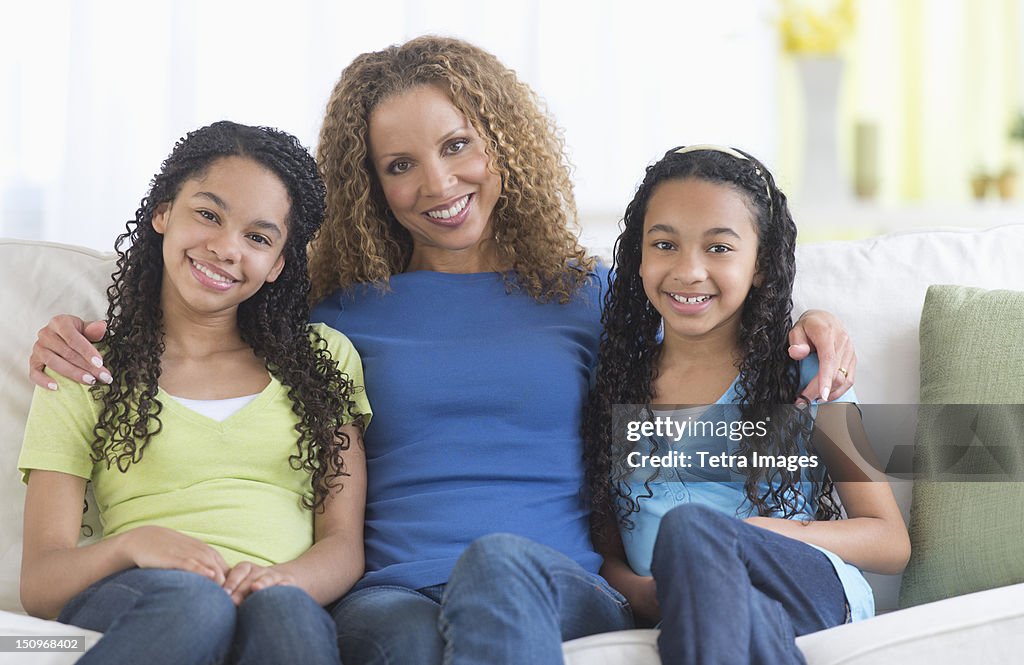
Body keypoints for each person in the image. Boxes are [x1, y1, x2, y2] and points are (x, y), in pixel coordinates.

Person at [28, 38, 856, 664]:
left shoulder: (590, 293)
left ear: (502, 142)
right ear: (370, 184)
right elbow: (206, 317)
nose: (436, 183)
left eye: (457, 145)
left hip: (554, 585)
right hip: (386, 591)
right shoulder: (331, 314)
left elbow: (706, 312)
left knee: (492, 564)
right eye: (400, 164)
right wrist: (77, 329)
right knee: (402, 635)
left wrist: (811, 318)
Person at [19, 121, 371, 665]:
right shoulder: (85, 365)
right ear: (163, 213)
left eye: (257, 237)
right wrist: (133, 545)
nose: (226, 248)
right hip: (143, 596)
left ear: (277, 264)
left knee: (287, 617)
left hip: (281, 597)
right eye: (208, 214)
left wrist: (282, 582)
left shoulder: (323, 360)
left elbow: (343, 543)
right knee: (198, 604)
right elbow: (41, 584)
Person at [583, 145, 910, 664]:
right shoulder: (615, 381)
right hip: (686, 604)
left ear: (760, 265)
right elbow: (606, 546)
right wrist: (639, 590)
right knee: (720, 591)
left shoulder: (803, 371)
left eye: (719, 248)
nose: (689, 271)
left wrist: (754, 534)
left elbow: (889, 540)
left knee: (691, 530)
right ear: (639, 259)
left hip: (803, 585)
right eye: (664, 244)